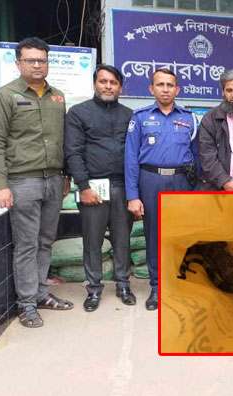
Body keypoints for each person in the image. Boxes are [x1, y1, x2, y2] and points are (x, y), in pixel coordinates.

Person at [0, 37, 74, 328]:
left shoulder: (57, 96)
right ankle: (26, 304)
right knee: (26, 245)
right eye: (31, 60)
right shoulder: (4, 96)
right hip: (23, 181)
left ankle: (41, 294)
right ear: (18, 63)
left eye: (42, 60)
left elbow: (63, 141)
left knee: (45, 241)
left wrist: (66, 176)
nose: (37, 65)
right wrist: (0, 185)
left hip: (54, 180)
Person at [124, 68, 199, 310]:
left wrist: (197, 192)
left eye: (170, 85)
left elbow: (198, 158)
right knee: (154, 235)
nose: (165, 89)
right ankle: (157, 287)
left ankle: (180, 284)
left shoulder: (190, 118)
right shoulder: (140, 118)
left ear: (177, 89)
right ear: (151, 88)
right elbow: (130, 159)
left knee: (182, 235)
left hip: (182, 182)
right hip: (151, 180)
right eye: (160, 84)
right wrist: (133, 196)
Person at [64, 64, 137, 311]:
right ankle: (94, 289)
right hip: (92, 188)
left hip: (122, 187)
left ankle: (123, 284)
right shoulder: (78, 113)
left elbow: (136, 154)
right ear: (95, 84)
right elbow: (73, 152)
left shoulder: (129, 115)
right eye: (103, 81)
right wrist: (83, 186)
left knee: (122, 240)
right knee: (92, 241)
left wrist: (135, 192)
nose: (108, 86)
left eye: (113, 83)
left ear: (120, 87)